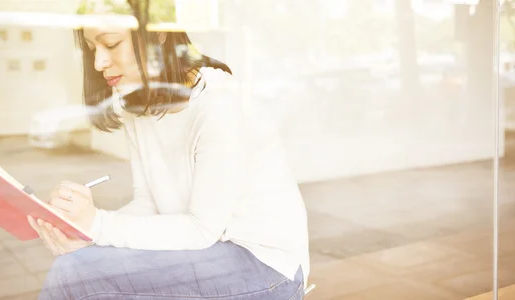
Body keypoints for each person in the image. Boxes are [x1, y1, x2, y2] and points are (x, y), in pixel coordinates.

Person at [27, 8, 310, 300]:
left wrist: (97, 226)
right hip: (208, 252)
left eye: (111, 44)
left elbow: (201, 229)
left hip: (266, 267)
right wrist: (86, 233)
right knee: (81, 266)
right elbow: (148, 203)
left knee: (74, 273)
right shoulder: (135, 106)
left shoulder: (218, 103)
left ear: (159, 32)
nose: (99, 62)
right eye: (92, 48)